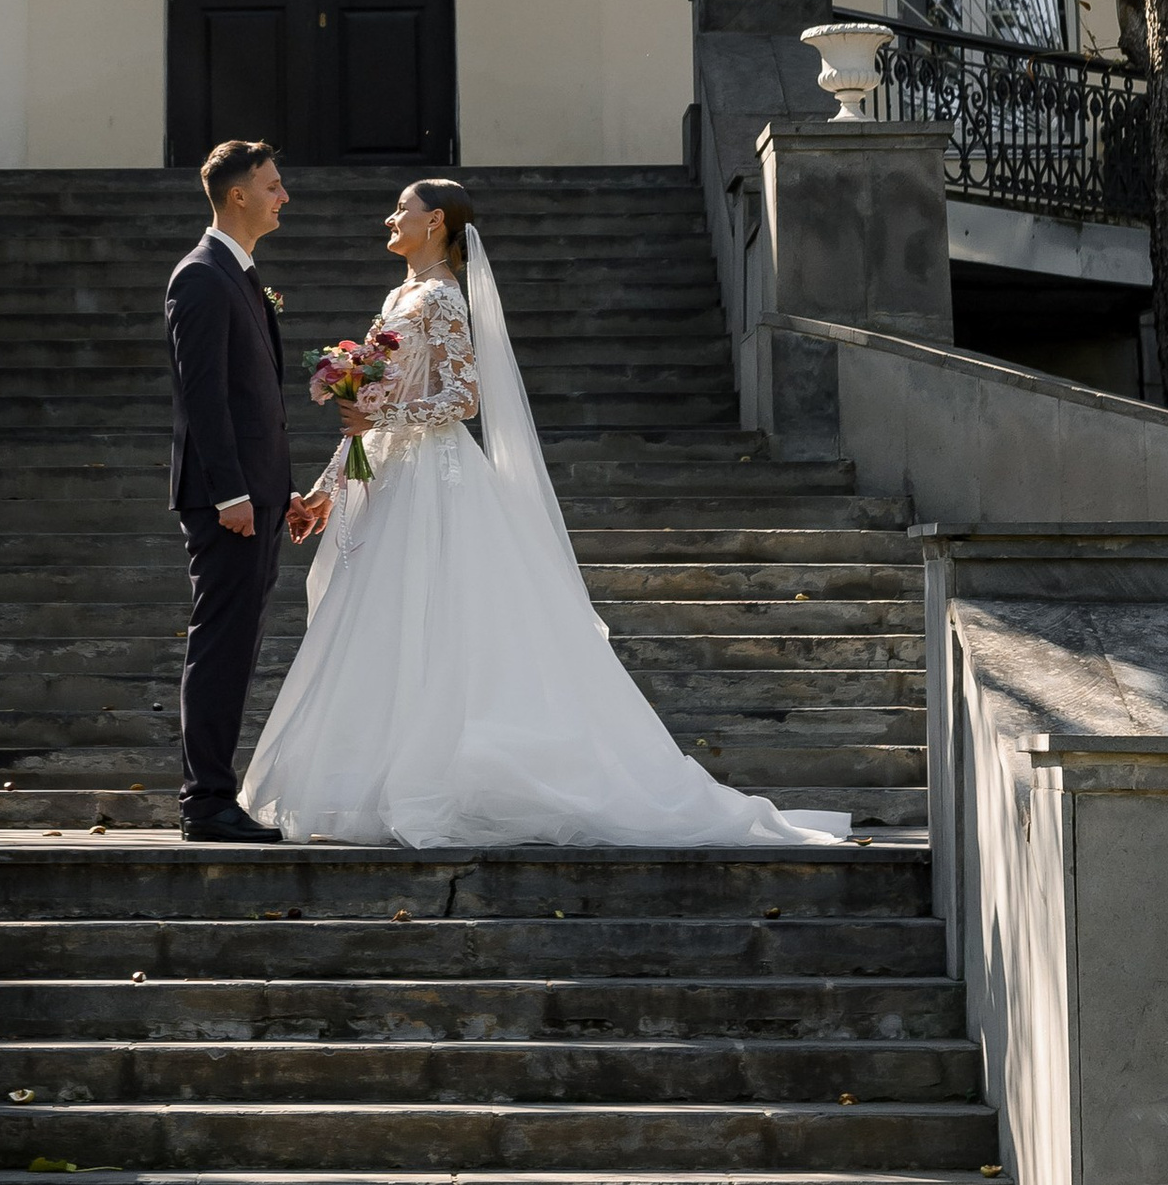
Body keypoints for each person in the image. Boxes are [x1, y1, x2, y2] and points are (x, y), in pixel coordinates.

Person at [240, 176, 852, 851]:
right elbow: (369, 420)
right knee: (389, 625)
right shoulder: (399, 296)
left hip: (437, 483)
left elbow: (463, 399)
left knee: (439, 624)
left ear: (435, 221)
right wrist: (328, 488)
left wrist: (383, 410)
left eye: (403, 210)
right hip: (391, 478)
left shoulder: (443, 297)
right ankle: (384, 776)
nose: (390, 217)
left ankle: (449, 779)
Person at [163, 138, 328, 843]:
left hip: (258, 499)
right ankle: (205, 801)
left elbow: (257, 403)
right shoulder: (200, 277)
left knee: (238, 645)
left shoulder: (241, 275)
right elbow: (202, 397)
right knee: (222, 646)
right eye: (272, 185)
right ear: (238, 195)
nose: (282, 196)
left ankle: (215, 795)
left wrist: (280, 491)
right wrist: (231, 493)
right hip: (226, 503)